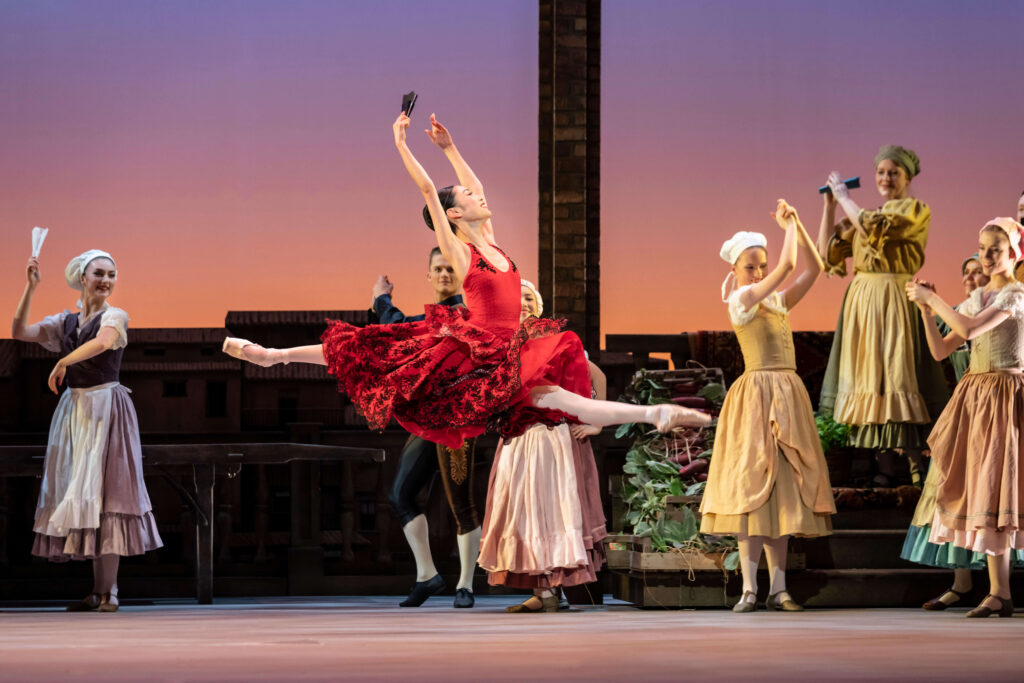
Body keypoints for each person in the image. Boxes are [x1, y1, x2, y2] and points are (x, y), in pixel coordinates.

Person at [222, 112, 709, 448]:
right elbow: (431, 192)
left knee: (564, 400)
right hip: (478, 350)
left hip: (512, 345)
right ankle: (273, 357)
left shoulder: (492, 241)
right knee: (377, 346)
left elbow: (474, 187)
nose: (480, 196)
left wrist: (451, 147)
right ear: (455, 214)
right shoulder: (463, 251)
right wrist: (402, 145)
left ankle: (653, 415)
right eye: (469, 198)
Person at [700, 200, 836, 613]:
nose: (758, 273)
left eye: (761, 266)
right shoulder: (742, 300)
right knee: (751, 492)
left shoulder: (776, 304)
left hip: (786, 395)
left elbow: (813, 269)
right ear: (736, 271)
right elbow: (790, 265)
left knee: (783, 492)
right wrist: (788, 227)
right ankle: (748, 589)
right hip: (756, 398)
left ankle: (779, 589)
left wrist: (798, 224)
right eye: (751, 266)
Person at [11, 249, 162, 612]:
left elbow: (104, 342)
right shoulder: (65, 322)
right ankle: (97, 591)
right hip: (75, 412)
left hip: (106, 408)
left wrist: (63, 359)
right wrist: (30, 288)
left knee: (107, 495)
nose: (106, 280)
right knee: (84, 495)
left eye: (111, 274)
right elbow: (19, 332)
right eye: (99, 273)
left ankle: (110, 592)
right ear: (83, 277)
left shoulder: (115, 316)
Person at [907, 217, 1024, 618]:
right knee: (987, 493)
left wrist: (933, 299)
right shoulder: (977, 299)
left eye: (996, 248)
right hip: (977, 399)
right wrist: (926, 309)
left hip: (1005, 397)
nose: (988, 256)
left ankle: (999, 591)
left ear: (1013, 253)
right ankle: (999, 592)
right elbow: (941, 350)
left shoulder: (1016, 296)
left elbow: (972, 329)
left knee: (1004, 488)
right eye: (983, 247)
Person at [818, 145, 948, 485]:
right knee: (865, 376)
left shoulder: (913, 210)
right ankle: (870, 458)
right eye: (881, 172)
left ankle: (902, 461)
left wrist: (845, 196)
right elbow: (826, 254)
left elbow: (874, 225)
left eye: (893, 172)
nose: (885, 178)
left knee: (894, 373)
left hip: (894, 298)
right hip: (862, 302)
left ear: (906, 177)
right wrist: (831, 204)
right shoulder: (860, 216)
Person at [478, 278, 607, 613]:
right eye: (516, 299)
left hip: (552, 438)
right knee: (524, 514)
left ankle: (551, 592)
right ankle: (544, 593)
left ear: (539, 306)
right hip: (519, 440)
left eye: (529, 298)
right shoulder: (502, 345)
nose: (523, 303)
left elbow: (597, 377)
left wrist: (596, 422)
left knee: (551, 511)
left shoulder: (555, 340)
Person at [374, 248, 481, 608]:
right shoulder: (433, 317)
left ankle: (465, 584)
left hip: (459, 422)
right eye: (438, 268)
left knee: (461, 506)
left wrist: (380, 300)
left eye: (451, 268)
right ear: (429, 275)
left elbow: (402, 329)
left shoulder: (463, 315)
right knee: (399, 496)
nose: (444, 274)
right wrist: (383, 301)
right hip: (429, 422)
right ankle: (427, 575)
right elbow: (401, 333)